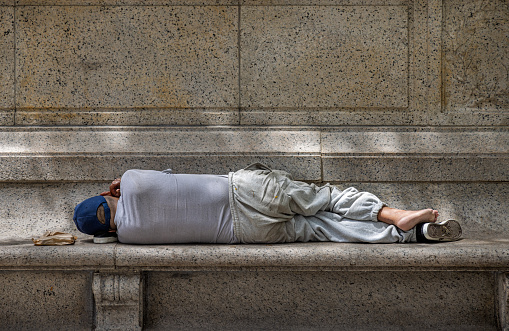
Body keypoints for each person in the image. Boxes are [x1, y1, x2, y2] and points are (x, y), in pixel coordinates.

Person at [73, 163, 462, 244]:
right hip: (244, 191)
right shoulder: (133, 181)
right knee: (325, 198)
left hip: (247, 232)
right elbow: (168, 177)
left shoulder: (130, 236)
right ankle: (395, 215)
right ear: (107, 196)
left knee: (323, 228)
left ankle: (415, 236)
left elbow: (113, 232)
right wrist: (120, 183)